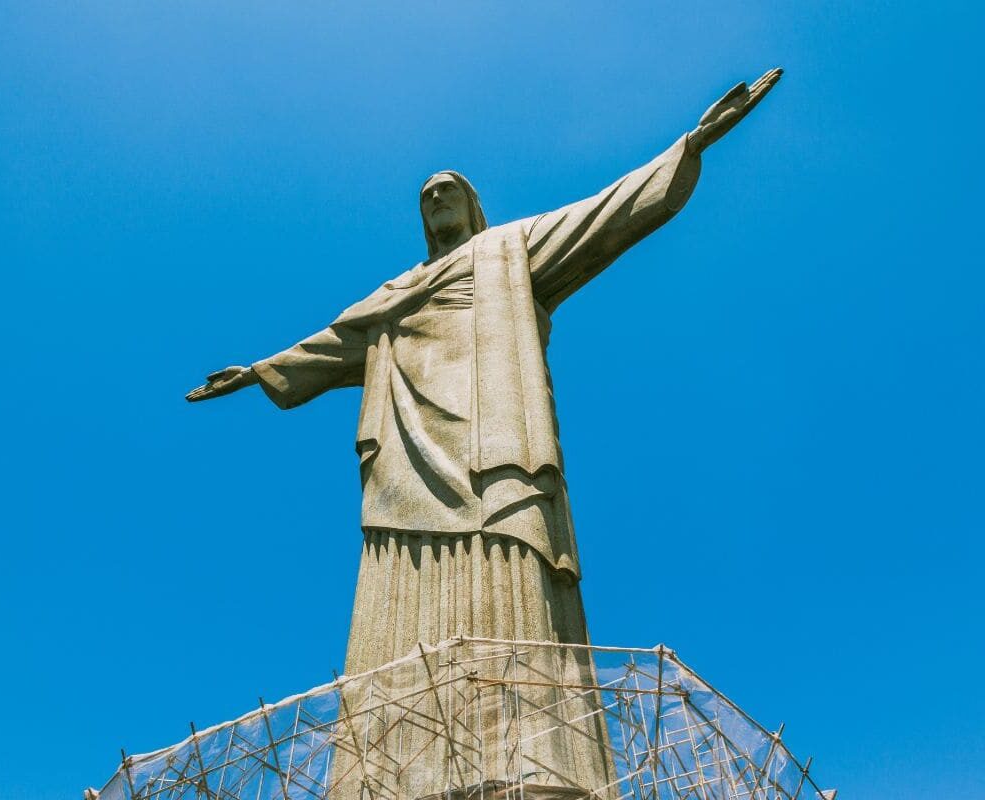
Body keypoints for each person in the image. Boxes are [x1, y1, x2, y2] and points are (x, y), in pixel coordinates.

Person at [186, 69, 782, 678]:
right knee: (396, 554)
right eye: (426, 194)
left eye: (447, 189)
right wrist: (257, 372)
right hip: (406, 445)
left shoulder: (508, 250)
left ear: (471, 205)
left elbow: (601, 214)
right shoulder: (396, 290)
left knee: (509, 529)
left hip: (492, 428)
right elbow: (334, 343)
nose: (435, 197)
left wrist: (691, 145)